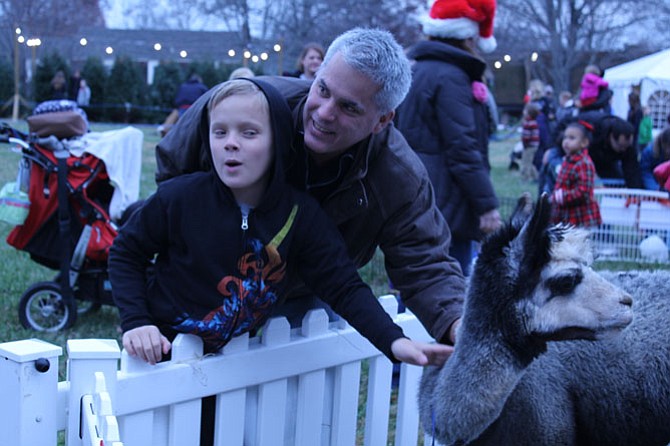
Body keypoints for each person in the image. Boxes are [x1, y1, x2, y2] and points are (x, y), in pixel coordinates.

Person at [155, 28, 467, 347]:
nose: (324, 113)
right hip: (212, 274)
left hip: (309, 292)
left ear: (382, 120)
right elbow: (174, 168)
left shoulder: (399, 177)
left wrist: (458, 325)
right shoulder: (247, 103)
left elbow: (425, 263)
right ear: (316, 75)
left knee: (296, 384)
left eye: (349, 107)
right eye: (323, 90)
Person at [110, 78, 449, 369]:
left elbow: (343, 286)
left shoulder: (301, 216)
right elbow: (126, 251)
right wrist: (137, 323)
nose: (230, 142)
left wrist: (394, 342)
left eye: (249, 132)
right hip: (157, 356)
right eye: (220, 131)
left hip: (235, 365)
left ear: (279, 142)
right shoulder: (179, 197)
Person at [395, 0, 501, 276]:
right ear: (468, 36)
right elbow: (462, 148)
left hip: (413, 194)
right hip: (446, 204)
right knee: (450, 282)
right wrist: (487, 205)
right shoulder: (452, 77)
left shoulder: (416, 71)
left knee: (418, 281)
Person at [562, 110, 643, 188]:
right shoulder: (593, 128)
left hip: (605, 162)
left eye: (626, 147)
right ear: (611, 137)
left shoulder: (627, 146)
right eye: (620, 146)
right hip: (573, 154)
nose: (623, 150)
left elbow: (633, 172)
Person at [551, 121, 601, 228]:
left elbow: (583, 192)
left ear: (584, 143)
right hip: (566, 214)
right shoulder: (568, 160)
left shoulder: (583, 163)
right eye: (565, 137)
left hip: (580, 217)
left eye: (572, 138)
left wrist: (563, 196)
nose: (566, 142)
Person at [520, 102, 540, 181]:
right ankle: (536, 176)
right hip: (533, 145)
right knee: (530, 162)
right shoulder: (532, 122)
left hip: (529, 146)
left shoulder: (529, 123)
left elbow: (527, 136)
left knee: (526, 162)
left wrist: (525, 143)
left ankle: (526, 178)